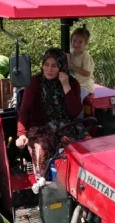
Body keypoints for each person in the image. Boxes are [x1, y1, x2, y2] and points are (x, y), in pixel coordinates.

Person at [16, 48, 86, 192]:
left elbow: (75, 112)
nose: (49, 69)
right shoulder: (35, 82)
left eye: (54, 65)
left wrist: (66, 86)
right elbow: (25, 109)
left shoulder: (72, 83)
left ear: (61, 67)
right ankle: (45, 187)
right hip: (40, 127)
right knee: (41, 147)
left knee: (78, 146)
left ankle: (77, 183)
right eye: (46, 64)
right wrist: (21, 134)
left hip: (65, 125)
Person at [68, 27, 95, 116]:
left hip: (84, 85)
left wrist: (72, 66)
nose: (76, 44)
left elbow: (87, 73)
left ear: (85, 44)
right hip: (73, 83)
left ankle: (79, 122)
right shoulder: (70, 54)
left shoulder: (86, 57)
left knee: (78, 99)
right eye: (74, 41)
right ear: (71, 41)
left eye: (80, 42)